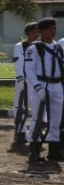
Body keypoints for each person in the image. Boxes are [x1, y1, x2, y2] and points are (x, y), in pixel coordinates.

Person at [23, 17, 63, 162]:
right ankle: (34, 149)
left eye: (54, 28)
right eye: (49, 29)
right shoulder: (34, 48)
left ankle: (54, 149)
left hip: (57, 85)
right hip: (42, 84)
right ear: (41, 31)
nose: (53, 31)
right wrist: (37, 87)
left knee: (56, 120)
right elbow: (29, 69)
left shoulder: (57, 47)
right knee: (38, 118)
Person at [12, 22, 40, 144]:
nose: (37, 33)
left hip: (36, 80)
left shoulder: (40, 46)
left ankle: (37, 130)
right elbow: (19, 63)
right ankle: (20, 131)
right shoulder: (20, 46)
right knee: (20, 106)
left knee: (37, 106)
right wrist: (20, 79)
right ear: (29, 32)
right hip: (23, 79)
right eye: (35, 31)